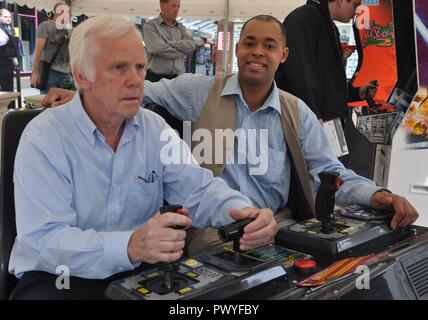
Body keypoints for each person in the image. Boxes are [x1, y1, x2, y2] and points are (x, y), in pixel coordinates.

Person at [42, 15, 419, 256]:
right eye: (249, 42)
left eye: (269, 45)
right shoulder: (198, 90)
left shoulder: (296, 111)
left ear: (283, 55)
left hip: (278, 227)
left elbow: (331, 171)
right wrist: (80, 92)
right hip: (212, 233)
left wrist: (379, 195)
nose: (257, 52)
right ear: (237, 49)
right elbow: (140, 92)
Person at [9, 15, 276, 300]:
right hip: (60, 275)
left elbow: (199, 189)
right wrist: (130, 246)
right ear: (81, 76)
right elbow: (46, 240)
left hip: (139, 268)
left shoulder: (154, 128)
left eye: (139, 67)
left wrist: (241, 211)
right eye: (119, 68)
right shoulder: (44, 137)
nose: (136, 80)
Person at [274, 0, 377, 178]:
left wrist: (357, 91)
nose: (357, 10)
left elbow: (328, 79)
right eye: (355, 4)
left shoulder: (328, 25)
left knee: (335, 178)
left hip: (329, 122)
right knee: (318, 181)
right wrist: (313, 117)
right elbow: (300, 73)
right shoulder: (304, 19)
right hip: (313, 122)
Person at [143, 0, 196, 82]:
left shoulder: (181, 27)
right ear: (162, 5)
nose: (176, 10)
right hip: (156, 78)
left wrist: (169, 43)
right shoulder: (150, 26)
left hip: (178, 78)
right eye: (173, 5)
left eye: (178, 6)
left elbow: (192, 46)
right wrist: (181, 51)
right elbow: (157, 48)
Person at [30, 2, 72, 94]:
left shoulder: (69, 29)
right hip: (50, 72)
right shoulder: (45, 26)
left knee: (66, 102)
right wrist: (35, 72)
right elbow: (38, 50)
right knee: (49, 101)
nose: (69, 15)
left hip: (66, 72)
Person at [0, 8, 19, 100]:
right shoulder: (2, 30)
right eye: (5, 16)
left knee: (9, 90)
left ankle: (10, 109)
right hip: (2, 63)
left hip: (9, 64)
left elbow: (15, 44)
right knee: (5, 90)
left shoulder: (11, 29)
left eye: (9, 17)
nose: (8, 19)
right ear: (0, 17)